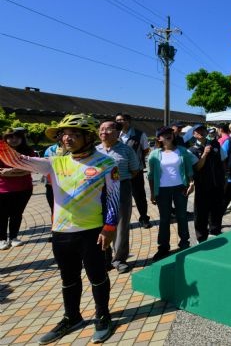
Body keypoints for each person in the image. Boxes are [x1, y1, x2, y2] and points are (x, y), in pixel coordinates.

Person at [0, 114, 119, 343]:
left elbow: (114, 198)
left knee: (97, 276)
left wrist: (110, 227)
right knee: (68, 278)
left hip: (92, 231)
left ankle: (103, 316)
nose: (68, 138)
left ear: (88, 137)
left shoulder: (106, 163)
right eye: (64, 134)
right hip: (61, 233)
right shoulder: (54, 162)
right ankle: (72, 317)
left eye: (75, 134)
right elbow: (16, 159)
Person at [147, 126, 198, 261]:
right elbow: (151, 176)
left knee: (182, 216)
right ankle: (163, 247)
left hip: (180, 188)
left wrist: (191, 183)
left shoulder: (182, 151)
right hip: (162, 190)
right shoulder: (154, 154)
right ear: (159, 138)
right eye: (164, 134)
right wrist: (152, 193)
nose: (168, 135)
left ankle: (184, 243)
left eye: (170, 133)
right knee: (164, 219)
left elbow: (189, 170)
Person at [96, 120, 139, 273]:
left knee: (121, 224)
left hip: (122, 187)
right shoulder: (94, 151)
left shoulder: (126, 150)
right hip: (99, 190)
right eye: (101, 129)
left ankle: (119, 259)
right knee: (100, 223)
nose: (103, 132)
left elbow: (134, 170)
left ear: (116, 132)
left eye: (108, 129)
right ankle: (104, 259)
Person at [189, 124, 227, 242]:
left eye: (203, 130)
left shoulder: (215, 144)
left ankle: (215, 232)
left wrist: (223, 178)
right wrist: (204, 154)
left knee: (216, 211)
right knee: (201, 213)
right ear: (194, 134)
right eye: (198, 131)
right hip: (202, 186)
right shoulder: (191, 150)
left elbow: (223, 160)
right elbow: (197, 167)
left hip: (217, 184)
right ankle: (201, 238)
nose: (201, 132)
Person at [0, 128, 37, 249]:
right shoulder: (1, 151)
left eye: (16, 137)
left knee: (17, 214)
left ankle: (14, 237)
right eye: (10, 137)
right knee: (2, 215)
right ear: (5, 139)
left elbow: (31, 168)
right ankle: (2, 239)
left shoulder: (28, 151)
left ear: (22, 138)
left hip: (24, 188)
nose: (13, 139)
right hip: (2, 189)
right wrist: (20, 170)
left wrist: (10, 171)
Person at [115, 113, 152, 229]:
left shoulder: (140, 134)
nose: (119, 122)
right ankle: (122, 221)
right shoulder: (115, 135)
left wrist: (136, 160)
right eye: (117, 120)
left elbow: (146, 150)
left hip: (136, 171)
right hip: (119, 171)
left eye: (122, 120)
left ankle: (144, 218)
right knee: (120, 197)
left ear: (129, 121)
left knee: (139, 195)